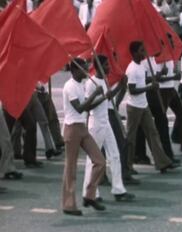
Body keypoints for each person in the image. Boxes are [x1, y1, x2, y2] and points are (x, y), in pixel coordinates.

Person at [81, 55, 135, 202]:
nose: (108, 68)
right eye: (106, 65)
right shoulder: (91, 83)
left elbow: (109, 97)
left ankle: (118, 190)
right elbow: (88, 106)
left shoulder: (104, 81)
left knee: (115, 155)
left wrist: (121, 86)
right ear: (98, 67)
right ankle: (91, 192)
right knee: (93, 160)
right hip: (96, 124)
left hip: (106, 122)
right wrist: (104, 96)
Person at [61, 58, 106, 216]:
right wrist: (95, 93)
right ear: (74, 70)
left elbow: (88, 106)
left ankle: (89, 195)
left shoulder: (81, 85)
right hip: (72, 128)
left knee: (100, 161)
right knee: (71, 169)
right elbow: (80, 108)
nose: (86, 71)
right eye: (83, 68)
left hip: (82, 127)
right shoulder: (69, 86)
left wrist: (102, 97)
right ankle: (69, 205)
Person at [125, 41, 174, 175]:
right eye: (141, 50)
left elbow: (143, 80)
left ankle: (162, 162)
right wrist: (150, 87)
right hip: (134, 107)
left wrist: (154, 79)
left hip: (144, 105)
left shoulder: (141, 66)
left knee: (152, 133)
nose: (144, 53)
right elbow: (132, 90)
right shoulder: (132, 68)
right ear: (134, 53)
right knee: (131, 137)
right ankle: (127, 166)